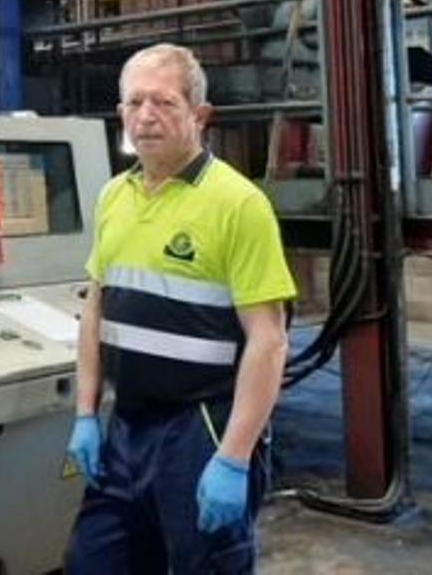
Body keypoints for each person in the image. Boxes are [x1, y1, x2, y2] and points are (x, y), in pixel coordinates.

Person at [64, 43, 296, 574]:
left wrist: (234, 457)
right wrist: (85, 413)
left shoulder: (237, 204)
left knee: (204, 564)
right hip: (126, 425)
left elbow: (269, 340)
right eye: (134, 102)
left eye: (164, 103)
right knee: (92, 562)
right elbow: (96, 308)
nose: (146, 116)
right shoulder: (112, 197)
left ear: (200, 114)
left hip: (201, 428)